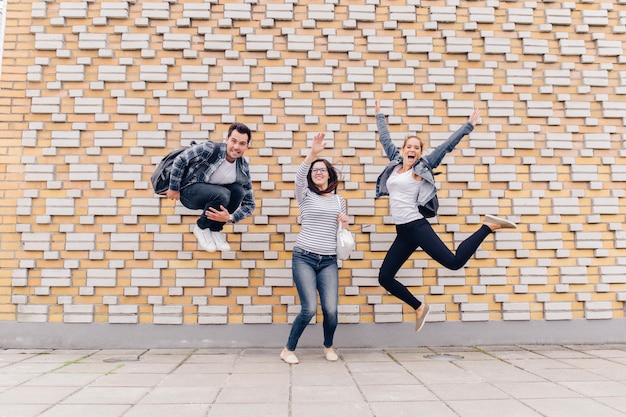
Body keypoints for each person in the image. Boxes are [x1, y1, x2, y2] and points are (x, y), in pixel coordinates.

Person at [374, 100, 517, 332]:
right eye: (409, 146)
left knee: (453, 262)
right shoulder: (395, 163)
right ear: (403, 150)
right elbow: (385, 139)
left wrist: (468, 126)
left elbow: (447, 145)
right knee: (385, 277)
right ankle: (419, 307)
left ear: (420, 153)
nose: (412, 150)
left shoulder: (423, 166)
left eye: (416, 148)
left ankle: (487, 227)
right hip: (403, 231)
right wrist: (379, 115)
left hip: (416, 226)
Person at [280, 132, 349, 365]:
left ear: (330, 174)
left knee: (331, 309)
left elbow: (339, 230)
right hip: (304, 258)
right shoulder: (305, 195)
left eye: (322, 169)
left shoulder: (339, 200)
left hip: (328, 260)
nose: (318, 172)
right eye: (315, 170)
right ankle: (288, 350)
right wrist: (313, 153)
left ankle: (328, 346)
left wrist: (344, 222)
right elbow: (299, 177)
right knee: (309, 308)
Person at [165, 123, 255, 252]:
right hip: (190, 193)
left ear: (247, 146)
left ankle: (215, 229)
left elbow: (250, 204)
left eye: (241, 143)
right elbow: (181, 159)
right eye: (233, 141)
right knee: (223, 193)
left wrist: (230, 218)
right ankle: (201, 227)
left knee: (238, 191)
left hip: (214, 198)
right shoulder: (210, 149)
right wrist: (174, 187)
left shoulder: (242, 167)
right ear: (227, 140)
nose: (236, 147)